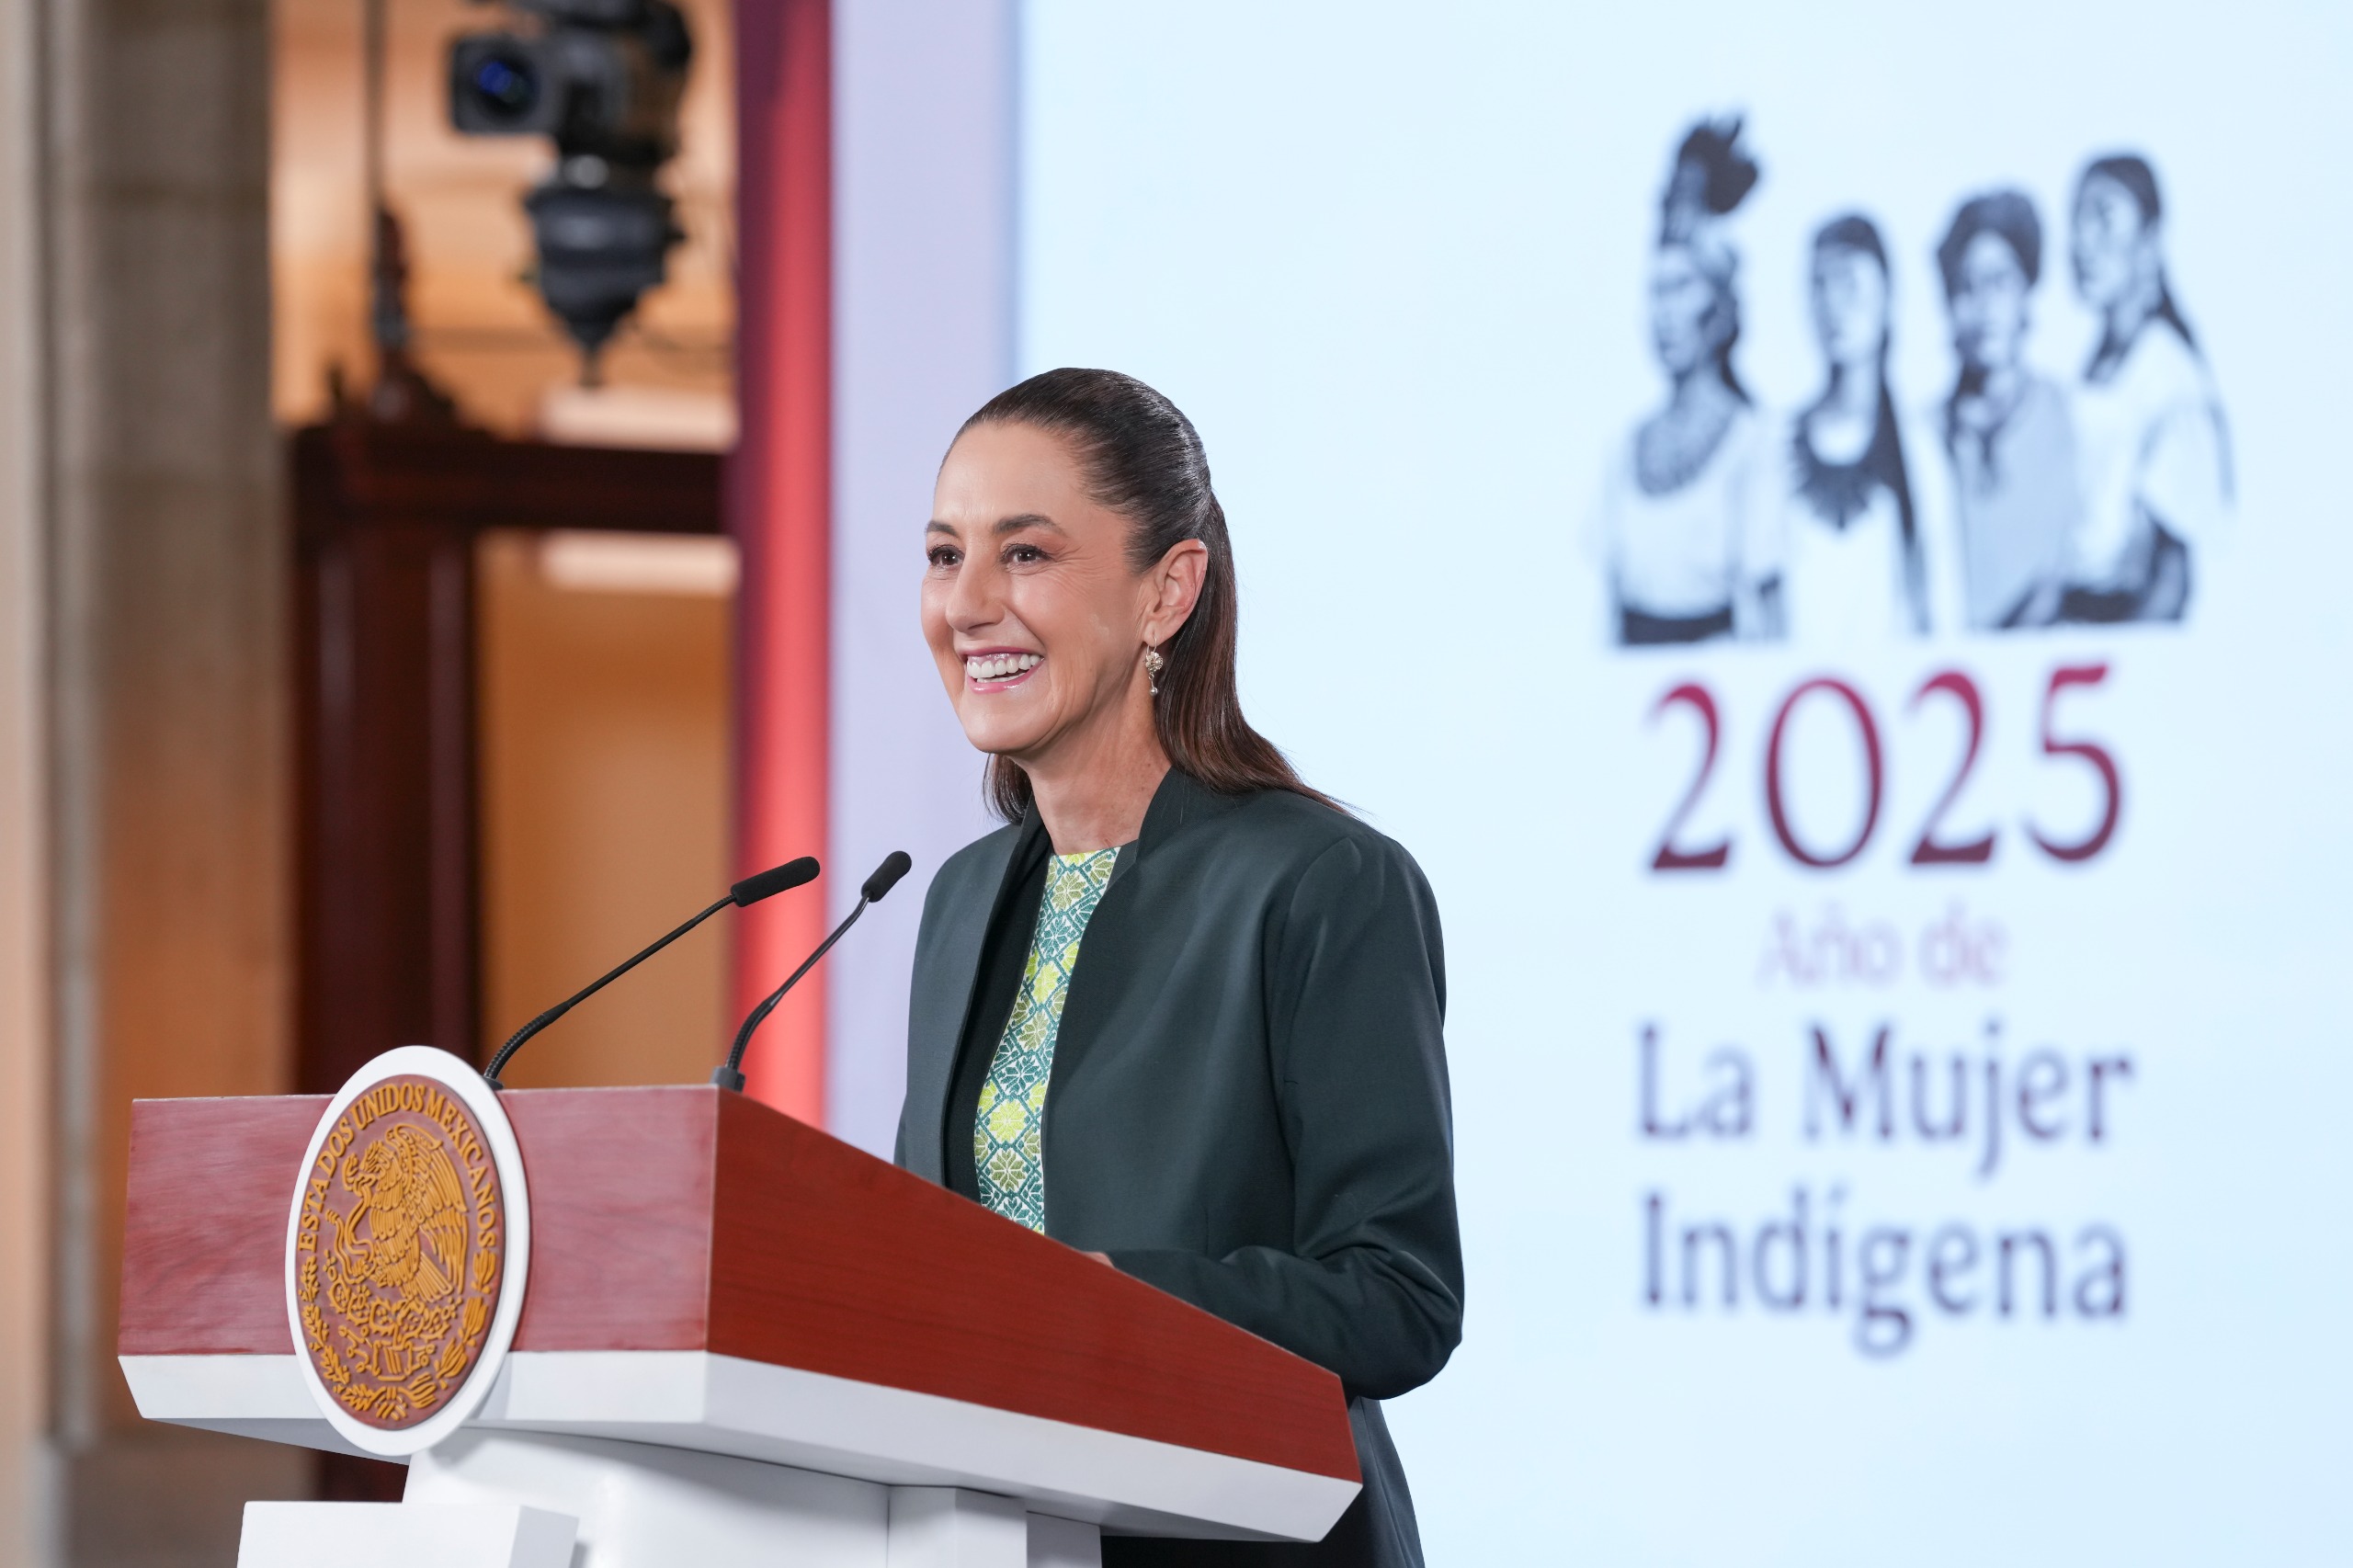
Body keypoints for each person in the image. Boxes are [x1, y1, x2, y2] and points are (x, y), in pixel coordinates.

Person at [899, 368, 1462, 1567]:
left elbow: (1399, 1297)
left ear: (1168, 590)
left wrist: (1107, 1297)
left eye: (1026, 554)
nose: (968, 604)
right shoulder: (958, 900)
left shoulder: (1323, 883)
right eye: (945, 556)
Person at [1595, 118, 1773, 644]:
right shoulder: (1624, 448)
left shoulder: (1751, 438)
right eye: (1658, 292)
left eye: (1681, 289)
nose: (1666, 313)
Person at [1750, 213, 1946, 642]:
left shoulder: (1918, 446)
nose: (1833, 305)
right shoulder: (1775, 439)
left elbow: (1940, 602)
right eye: (1820, 285)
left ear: (1887, 297)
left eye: (1850, 285)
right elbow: (1760, 595)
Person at [2059, 153, 2231, 622]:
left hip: (2122, 626)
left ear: (2150, 240)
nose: (2082, 243)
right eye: (2077, 221)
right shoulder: (2098, 366)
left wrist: (2127, 654)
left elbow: (2171, 579)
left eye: (2104, 220)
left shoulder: (2169, 377)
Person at [1931, 189, 2081, 630]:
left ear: (2026, 292)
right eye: (1966, 287)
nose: (1984, 307)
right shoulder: (1923, 435)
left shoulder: (2069, 417)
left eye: (1999, 283)